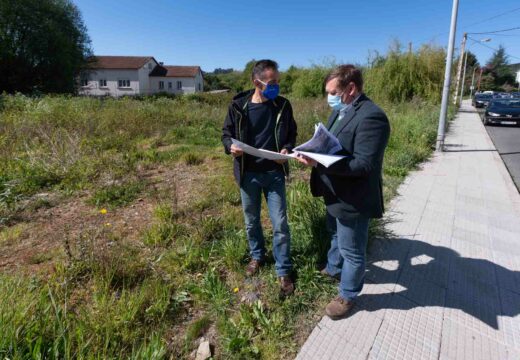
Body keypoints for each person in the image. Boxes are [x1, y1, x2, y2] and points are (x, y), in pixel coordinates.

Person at [298, 64, 390, 318]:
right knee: (335, 235)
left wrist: (319, 162)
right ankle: (333, 267)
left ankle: (347, 295)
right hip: (335, 191)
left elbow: (364, 164)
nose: (329, 98)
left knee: (352, 250)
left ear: (351, 88)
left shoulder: (372, 117)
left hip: (353, 197)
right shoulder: (344, 110)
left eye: (332, 92)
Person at [221, 59, 297, 296]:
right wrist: (230, 148)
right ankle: (257, 256)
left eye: (277, 81)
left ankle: (283, 269)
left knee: (280, 223)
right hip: (248, 174)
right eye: (272, 82)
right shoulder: (238, 106)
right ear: (257, 82)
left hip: (274, 173)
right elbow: (226, 134)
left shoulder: (283, 106)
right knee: (251, 220)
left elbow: (291, 134)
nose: (276, 86)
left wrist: (286, 149)